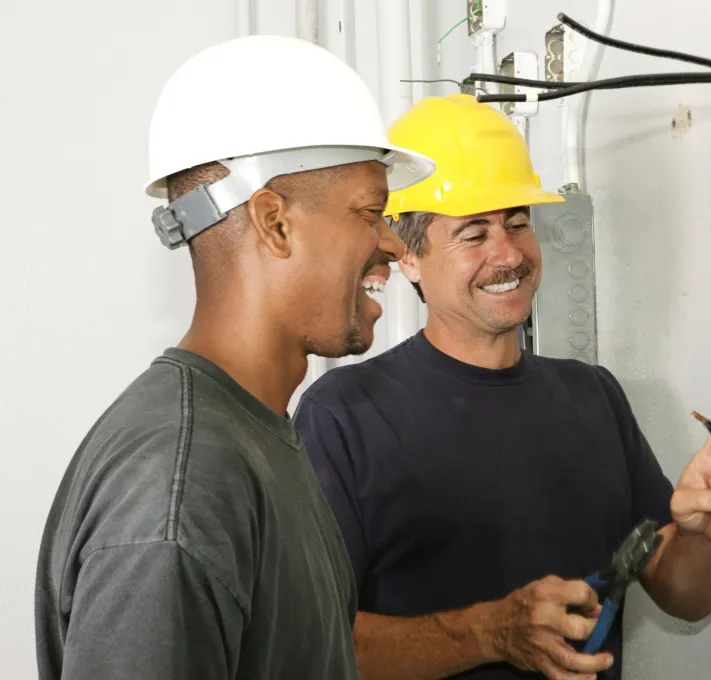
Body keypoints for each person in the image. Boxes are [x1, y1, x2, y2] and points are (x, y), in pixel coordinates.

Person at [294, 94, 711, 680]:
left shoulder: (593, 396)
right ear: (408, 258)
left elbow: (685, 597)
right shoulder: (343, 416)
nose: (509, 254)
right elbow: (313, 643)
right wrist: (493, 633)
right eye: (474, 234)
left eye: (517, 223)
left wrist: (704, 537)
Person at [35, 35, 434, 680]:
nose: (391, 242)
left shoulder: (251, 436)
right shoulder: (182, 484)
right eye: (370, 213)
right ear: (273, 222)